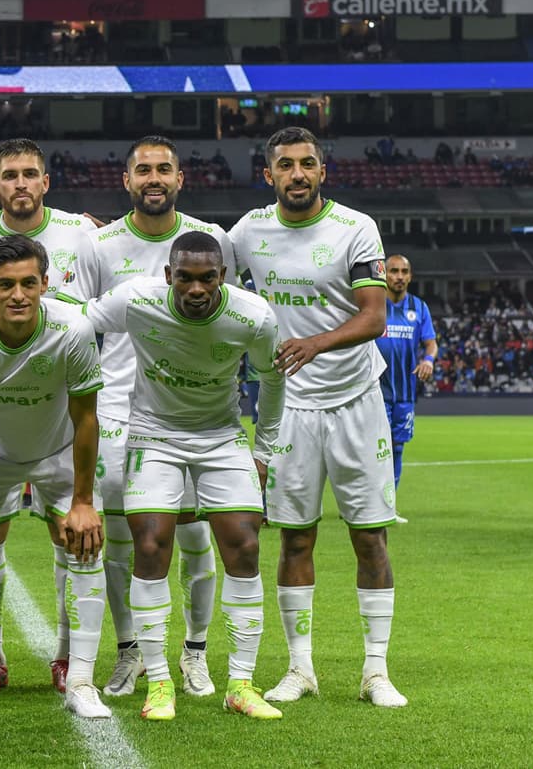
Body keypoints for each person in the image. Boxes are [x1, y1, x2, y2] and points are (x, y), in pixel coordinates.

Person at [229, 126, 407, 709]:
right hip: (290, 409)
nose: (297, 174)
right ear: (269, 175)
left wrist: (314, 342)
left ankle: (375, 671)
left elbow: (374, 316)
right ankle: (300, 669)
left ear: (322, 172)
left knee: (370, 537)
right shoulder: (249, 231)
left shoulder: (357, 228)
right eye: (286, 165)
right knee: (295, 538)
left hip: (357, 399)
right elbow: (194, 259)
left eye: (307, 163)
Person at [82, 231, 285, 721]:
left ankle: (240, 682)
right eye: (186, 278)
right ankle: (158, 684)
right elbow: (79, 320)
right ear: (168, 276)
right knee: (150, 544)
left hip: (221, 435)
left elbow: (271, 378)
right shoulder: (136, 298)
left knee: (244, 543)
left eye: (208, 279)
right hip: (153, 433)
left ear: (223, 278)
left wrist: (265, 451)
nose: (197, 289)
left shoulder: (252, 316)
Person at [70, 135, 234, 699]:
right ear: (127, 180)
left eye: (164, 168)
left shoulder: (209, 242)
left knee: (192, 537)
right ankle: (130, 651)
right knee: (121, 541)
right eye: (144, 170)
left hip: (189, 408)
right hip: (116, 407)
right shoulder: (100, 245)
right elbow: (81, 321)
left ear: (180, 178)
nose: (154, 178)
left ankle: (194, 653)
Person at [0, 234, 110, 719]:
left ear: (45, 284)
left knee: (84, 542)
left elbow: (87, 418)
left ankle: (77, 676)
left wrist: (82, 500)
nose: (18, 295)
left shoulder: (72, 330)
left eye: (29, 283)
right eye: (6, 284)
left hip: (57, 450)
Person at [0, 138, 95, 695]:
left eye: (29, 173)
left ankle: (67, 657)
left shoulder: (84, 235)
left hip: (61, 406)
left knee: (74, 536)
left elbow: (99, 305)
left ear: (45, 182)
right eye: (9, 175)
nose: (19, 183)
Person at [375, 254, 437, 524]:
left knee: (397, 447)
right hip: (374, 390)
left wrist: (428, 360)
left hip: (405, 392)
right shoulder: (373, 305)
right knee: (376, 449)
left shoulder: (419, 308)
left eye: (404, 272)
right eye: (393, 271)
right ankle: (367, 504)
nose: (399, 276)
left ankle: (388, 506)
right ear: (384, 275)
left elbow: (430, 344)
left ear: (410, 277)